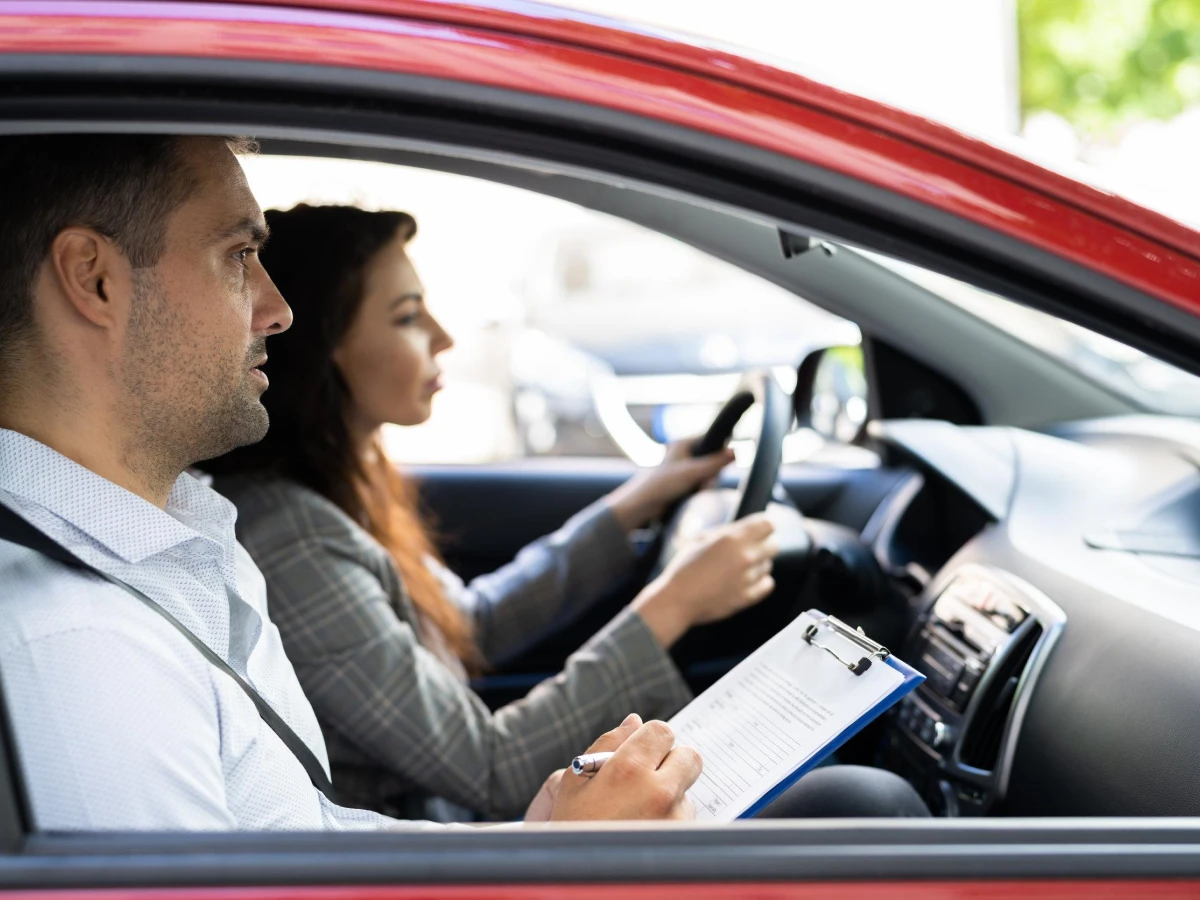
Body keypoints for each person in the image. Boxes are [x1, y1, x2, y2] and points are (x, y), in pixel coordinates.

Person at [0, 134, 704, 831]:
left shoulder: (182, 532)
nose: (278, 310)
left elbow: (313, 833)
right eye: (239, 257)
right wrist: (557, 871)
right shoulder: (79, 646)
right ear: (93, 279)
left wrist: (531, 843)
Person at [203, 204, 781, 821]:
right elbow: (488, 768)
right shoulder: (294, 541)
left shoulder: (341, 487)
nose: (443, 337)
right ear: (325, 349)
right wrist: (674, 605)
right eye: (406, 316)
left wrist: (631, 506)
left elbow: (466, 624)